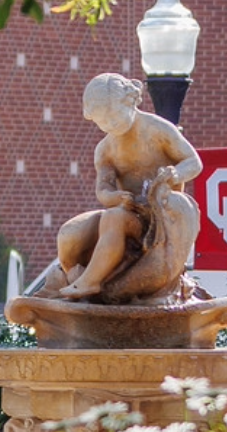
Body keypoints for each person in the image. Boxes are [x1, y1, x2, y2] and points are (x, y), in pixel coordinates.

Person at [47, 73, 202, 300]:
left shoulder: (157, 129)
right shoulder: (105, 149)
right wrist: (116, 197)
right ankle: (76, 276)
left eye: (113, 117)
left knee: (114, 218)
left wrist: (175, 174)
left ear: (129, 102)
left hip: (160, 217)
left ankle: (91, 282)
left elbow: (194, 162)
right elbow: (103, 189)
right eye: (102, 122)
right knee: (71, 232)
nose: (109, 124)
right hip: (129, 211)